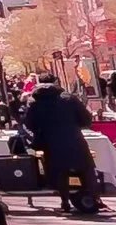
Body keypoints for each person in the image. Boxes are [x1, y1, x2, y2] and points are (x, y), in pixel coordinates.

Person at [25, 76, 104, 217]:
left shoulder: (34, 102)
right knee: (86, 168)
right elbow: (85, 119)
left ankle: (64, 201)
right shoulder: (69, 99)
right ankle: (94, 198)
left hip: (49, 141)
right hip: (73, 138)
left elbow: (29, 123)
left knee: (60, 171)